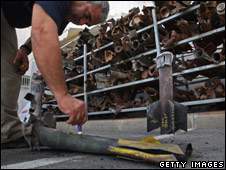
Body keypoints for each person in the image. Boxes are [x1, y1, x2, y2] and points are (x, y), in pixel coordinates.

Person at [1, 1, 109, 148]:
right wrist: (62, 96)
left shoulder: (65, 15)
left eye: (86, 23)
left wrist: (25, 50)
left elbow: (44, 28)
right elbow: (42, 33)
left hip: (6, 20)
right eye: (86, 15)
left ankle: (7, 134)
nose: (81, 22)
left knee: (9, 73)